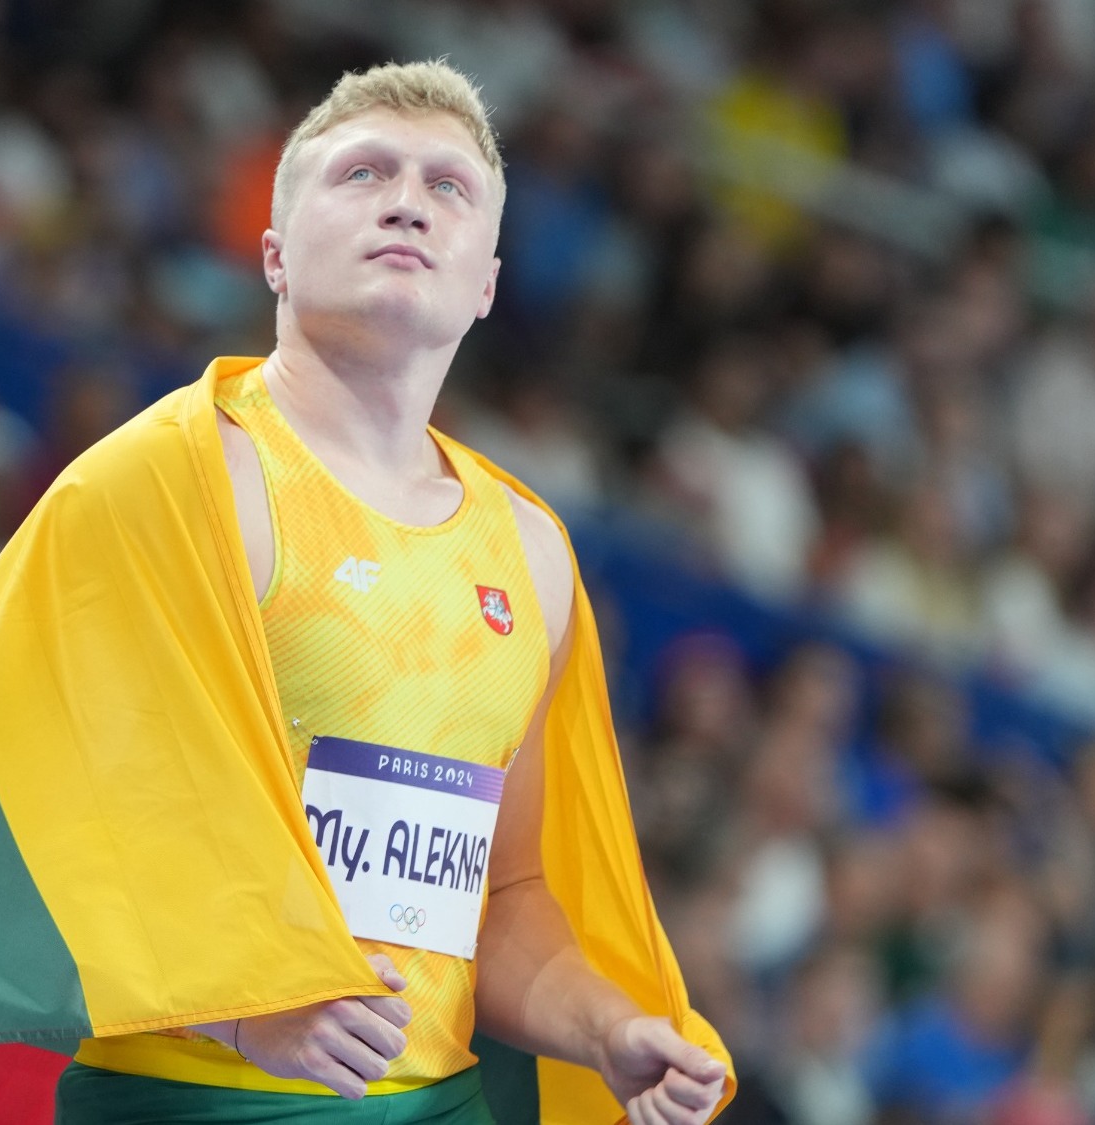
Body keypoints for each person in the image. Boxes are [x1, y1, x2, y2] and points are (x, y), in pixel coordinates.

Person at [52, 61, 728, 1125]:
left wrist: (607, 1028)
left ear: (487, 283)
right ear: (274, 253)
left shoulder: (530, 551)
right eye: (363, 173)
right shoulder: (172, 477)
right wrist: (244, 1012)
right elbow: (47, 808)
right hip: (187, 1096)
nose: (407, 199)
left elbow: (497, 898)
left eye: (448, 185)